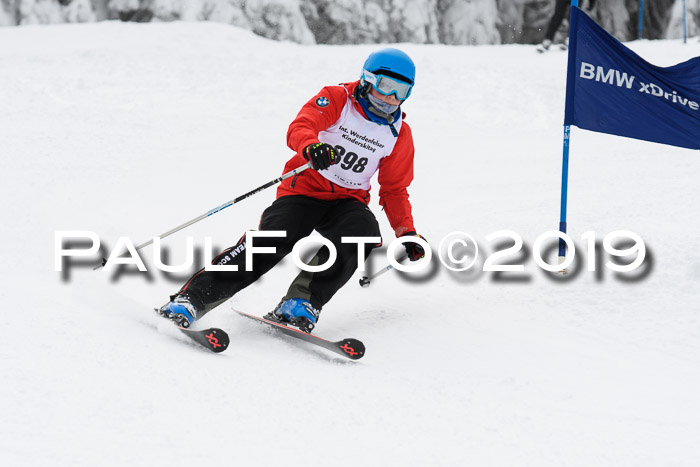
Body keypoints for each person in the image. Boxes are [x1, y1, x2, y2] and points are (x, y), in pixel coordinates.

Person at [157, 48, 426, 333]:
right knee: (275, 239)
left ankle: (300, 302)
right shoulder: (337, 99)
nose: (392, 98)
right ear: (367, 79)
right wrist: (311, 146)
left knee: (362, 234)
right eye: (387, 86)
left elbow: (395, 189)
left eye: (402, 91)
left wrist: (406, 233)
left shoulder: (399, 133)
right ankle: (192, 299)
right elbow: (301, 125)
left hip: (347, 199)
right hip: (304, 190)